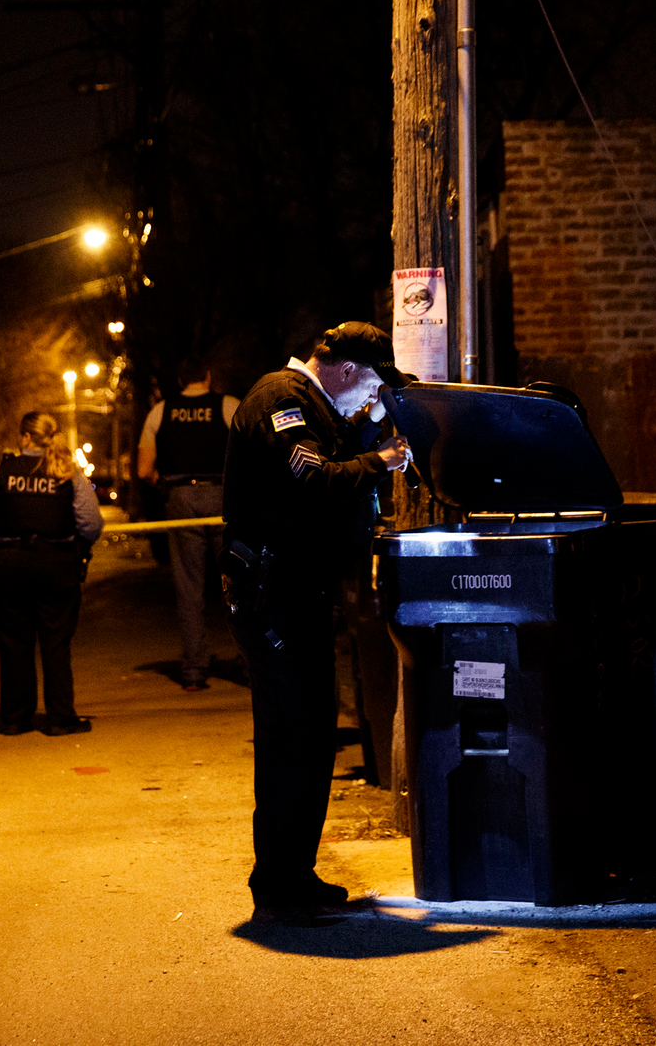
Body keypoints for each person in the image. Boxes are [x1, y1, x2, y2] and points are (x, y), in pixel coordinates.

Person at [222, 322, 410, 917]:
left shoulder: (316, 407)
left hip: (295, 592)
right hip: (274, 595)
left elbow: (329, 459)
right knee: (293, 738)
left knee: (306, 738)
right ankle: (279, 886)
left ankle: (291, 876)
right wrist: (379, 462)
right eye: (373, 384)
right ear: (349, 369)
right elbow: (311, 478)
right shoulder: (281, 399)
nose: (373, 398)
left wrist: (371, 431)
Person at [0, 412, 105, 736]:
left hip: (11, 562)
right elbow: (92, 524)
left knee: (14, 641)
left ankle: (16, 718)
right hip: (56, 563)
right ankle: (60, 718)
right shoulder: (67, 473)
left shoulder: (0, 471)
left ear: (26, 438)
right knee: (56, 642)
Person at [137, 358, 239, 691]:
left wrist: (164, 486)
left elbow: (143, 469)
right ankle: (251, 665)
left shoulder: (160, 412)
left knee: (188, 585)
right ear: (208, 375)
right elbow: (252, 449)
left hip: (181, 498)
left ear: (181, 380)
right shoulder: (227, 406)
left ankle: (194, 669)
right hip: (223, 496)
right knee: (239, 579)